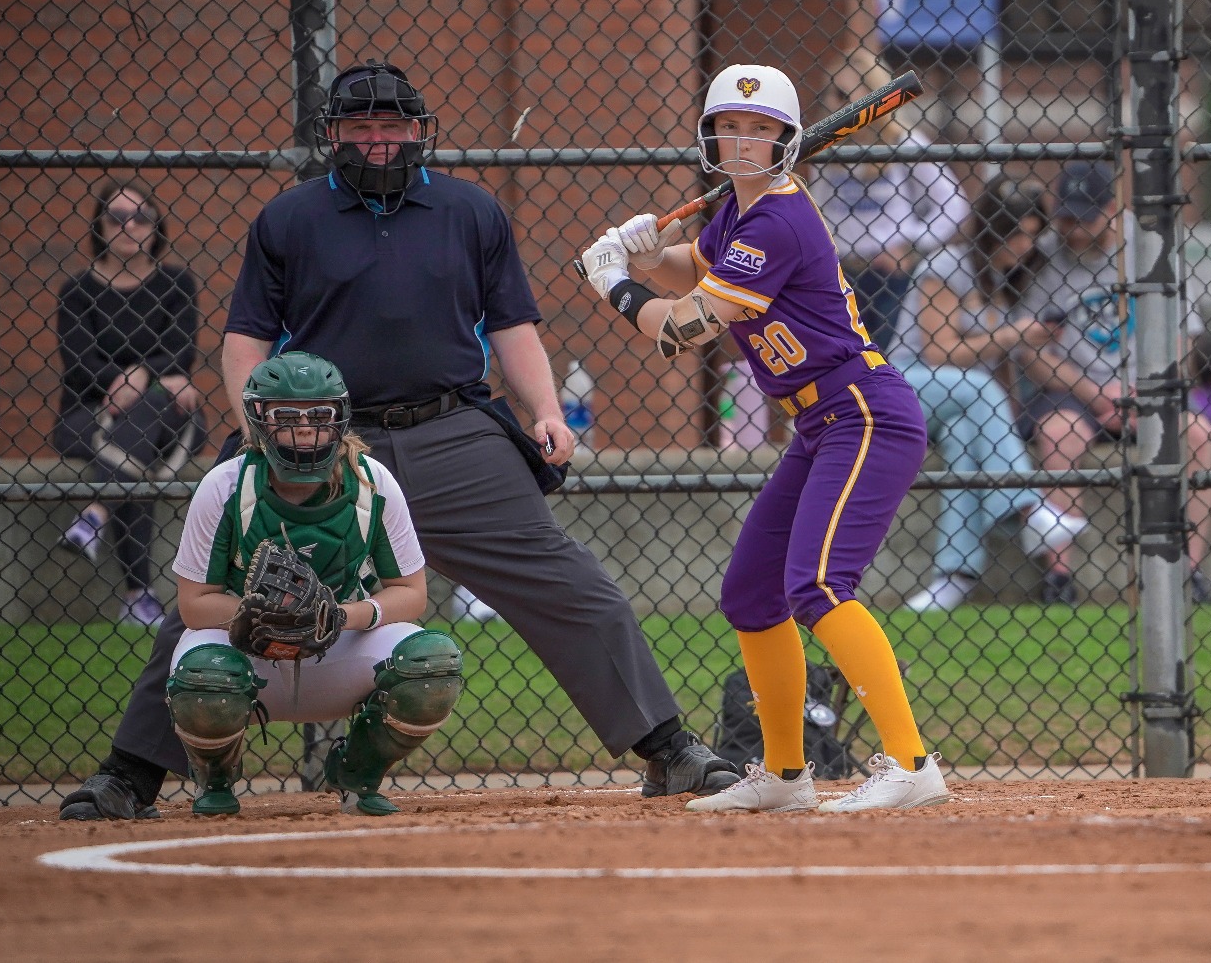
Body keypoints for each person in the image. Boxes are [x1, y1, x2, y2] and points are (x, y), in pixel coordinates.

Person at [59, 61, 736, 822]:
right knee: (217, 592)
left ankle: (667, 746)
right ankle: (131, 773)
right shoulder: (289, 219)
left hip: (453, 431)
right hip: (321, 440)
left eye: (392, 126)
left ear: (419, 131)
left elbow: (512, 326)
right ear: (334, 134)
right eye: (359, 126)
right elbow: (245, 338)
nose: (377, 140)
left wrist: (544, 408)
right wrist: (258, 426)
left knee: (569, 581)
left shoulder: (470, 210)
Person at [584, 63, 948, 813]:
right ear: (711, 134)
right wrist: (647, 250)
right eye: (731, 126)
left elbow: (686, 326)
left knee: (816, 586)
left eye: (762, 129)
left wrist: (618, 285)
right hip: (818, 424)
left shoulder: (778, 219)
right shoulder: (738, 216)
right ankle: (785, 776)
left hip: (864, 412)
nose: (744, 139)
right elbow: (698, 267)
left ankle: (912, 763)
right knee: (752, 592)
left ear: (785, 139)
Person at [167, 352, 461, 816]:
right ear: (260, 421)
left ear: (340, 418)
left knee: (431, 664)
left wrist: (340, 616)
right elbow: (193, 605)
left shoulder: (373, 481)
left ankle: (356, 772)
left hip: (338, 647)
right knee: (205, 676)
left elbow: (411, 592)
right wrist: (261, 616)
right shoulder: (225, 486)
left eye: (320, 416)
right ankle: (216, 776)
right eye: (286, 417)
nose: (305, 429)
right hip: (251, 652)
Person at [1015, 161, 1211, 603]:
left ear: (1111, 209)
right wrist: (1095, 394)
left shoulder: (1148, 246)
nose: (1070, 229)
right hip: (1070, 390)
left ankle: (1189, 573)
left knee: (1198, 436)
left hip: (1144, 388)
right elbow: (1031, 350)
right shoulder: (1046, 254)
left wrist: (1147, 391)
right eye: (1065, 217)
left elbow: (1184, 337)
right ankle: (1060, 577)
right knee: (1057, 436)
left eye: (1082, 218)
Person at [896, 181, 1087, 611]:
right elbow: (938, 351)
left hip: (963, 406)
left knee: (969, 434)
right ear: (989, 230)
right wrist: (1014, 334)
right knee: (980, 391)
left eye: (1032, 234)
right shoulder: (947, 265)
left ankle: (955, 576)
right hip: (907, 384)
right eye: (1014, 233)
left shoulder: (1006, 279)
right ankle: (1028, 508)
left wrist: (1007, 421)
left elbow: (999, 368)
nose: (1023, 245)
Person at [54, 179, 205, 628]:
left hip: (166, 419)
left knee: (150, 408)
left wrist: (140, 376)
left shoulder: (176, 282)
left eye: (140, 216)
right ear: (99, 225)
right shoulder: (78, 289)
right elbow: (78, 360)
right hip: (87, 416)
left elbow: (183, 349)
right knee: (136, 455)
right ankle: (139, 595)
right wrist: (122, 380)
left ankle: (95, 514)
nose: (128, 226)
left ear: (156, 226)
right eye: (116, 217)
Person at [808, 54, 969, 355]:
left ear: (870, 95)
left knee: (884, 358)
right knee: (843, 357)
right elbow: (820, 210)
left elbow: (953, 203)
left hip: (890, 275)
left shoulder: (903, 141)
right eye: (827, 93)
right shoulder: (824, 145)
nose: (831, 102)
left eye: (842, 94)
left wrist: (912, 244)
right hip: (841, 273)